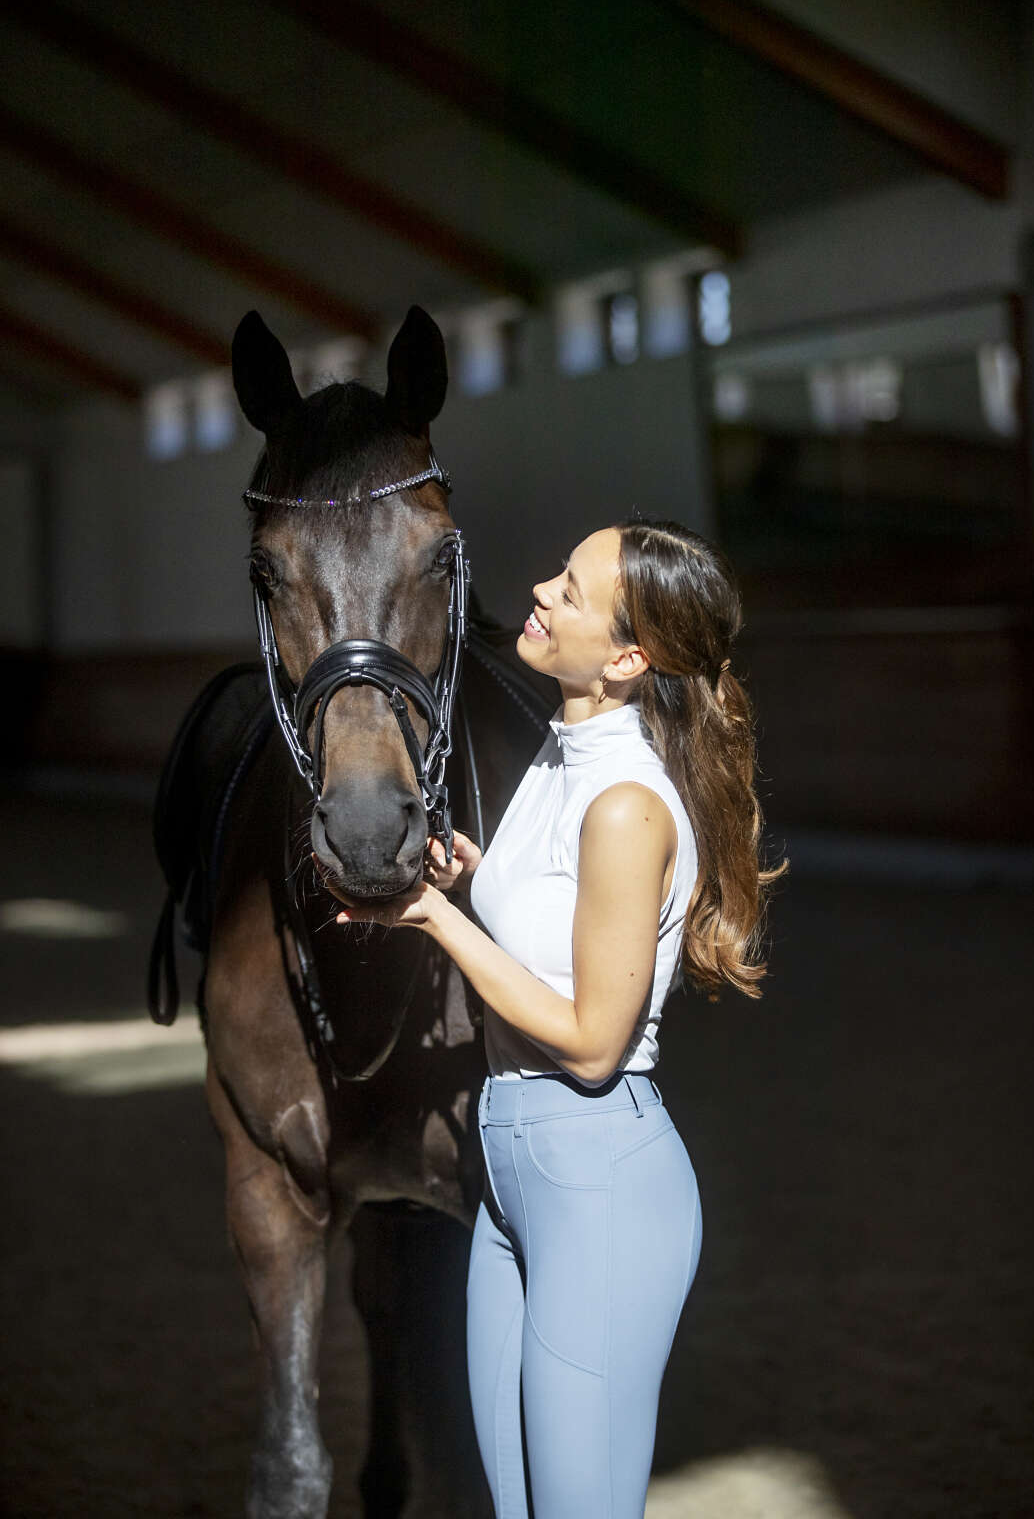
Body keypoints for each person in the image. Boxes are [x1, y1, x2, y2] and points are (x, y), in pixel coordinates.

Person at [337, 517, 784, 1518]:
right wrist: (471, 874)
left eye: (571, 591)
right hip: (510, 1179)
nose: (539, 590)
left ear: (628, 657)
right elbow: (546, 909)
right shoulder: (560, 752)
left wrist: (434, 919)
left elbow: (590, 1043)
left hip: (596, 1185)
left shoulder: (625, 804)